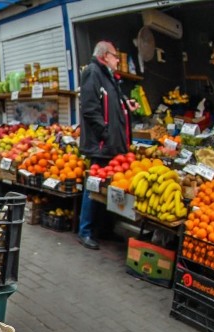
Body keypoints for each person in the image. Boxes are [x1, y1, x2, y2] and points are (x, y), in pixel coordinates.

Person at [77, 41, 139, 250]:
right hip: (101, 144)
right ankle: (84, 231)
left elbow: (110, 103)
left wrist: (127, 105)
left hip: (112, 144)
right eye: (115, 56)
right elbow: (90, 108)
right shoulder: (93, 72)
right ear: (104, 55)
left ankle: (103, 229)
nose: (117, 60)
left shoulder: (108, 76)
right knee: (94, 186)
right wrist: (105, 133)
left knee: (107, 188)